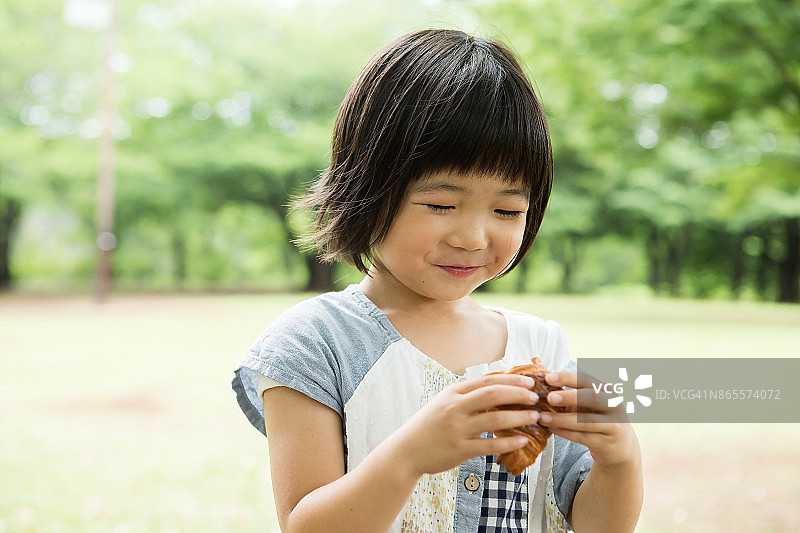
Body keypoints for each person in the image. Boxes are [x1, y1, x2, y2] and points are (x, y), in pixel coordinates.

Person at [232, 28, 642, 533]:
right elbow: (305, 525)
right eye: (441, 204)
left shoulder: (540, 345)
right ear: (368, 186)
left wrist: (620, 458)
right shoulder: (316, 344)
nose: (473, 237)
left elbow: (595, 524)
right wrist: (410, 455)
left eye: (507, 209)